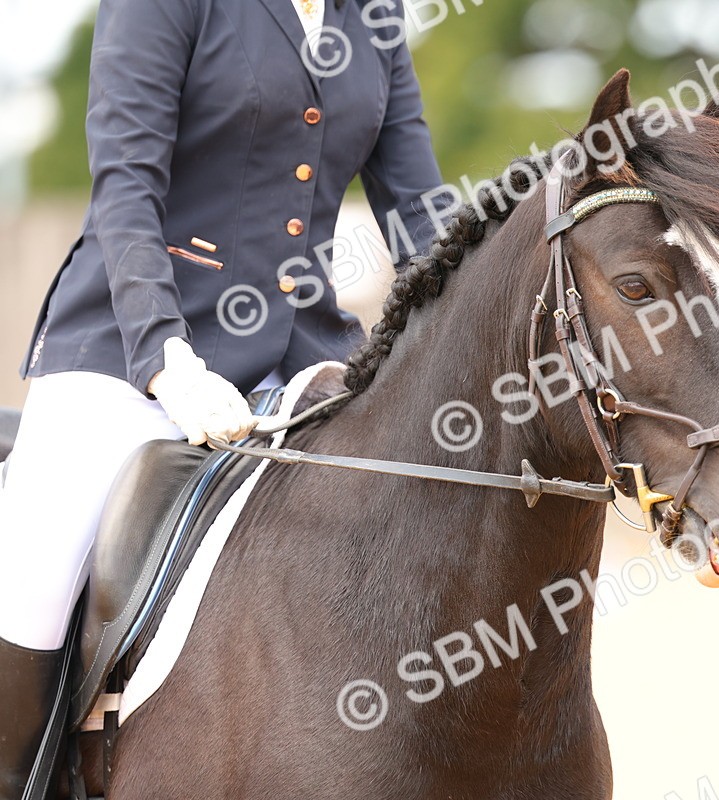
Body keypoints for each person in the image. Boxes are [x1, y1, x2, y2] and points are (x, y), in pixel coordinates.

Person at [0, 0, 445, 794]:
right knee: (28, 581)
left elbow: (420, 220)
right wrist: (168, 361)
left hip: (304, 358)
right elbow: (125, 183)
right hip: (129, 348)